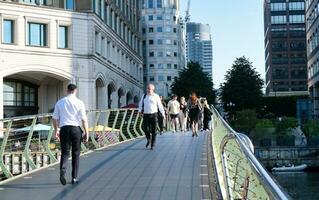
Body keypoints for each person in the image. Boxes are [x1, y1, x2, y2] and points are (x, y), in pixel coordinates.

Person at [53, 84, 89, 185]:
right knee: (76, 153)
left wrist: (56, 130)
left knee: (65, 152)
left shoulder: (60, 102)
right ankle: (74, 177)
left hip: (64, 129)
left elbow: (54, 118)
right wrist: (87, 132)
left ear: (67, 90)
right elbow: (83, 119)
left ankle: (63, 171)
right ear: (75, 90)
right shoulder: (79, 102)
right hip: (75, 129)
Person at [138, 84, 165, 150]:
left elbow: (160, 106)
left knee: (154, 130)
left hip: (154, 115)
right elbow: (140, 104)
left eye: (150, 89)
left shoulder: (156, 96)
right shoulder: (144, 96)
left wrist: (163, 114)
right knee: (146, 129)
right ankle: (148, 139)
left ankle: (153, 143)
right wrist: (139, 111)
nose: (148, 90)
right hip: (146, 115)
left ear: (153, 90)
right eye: (147, 88)